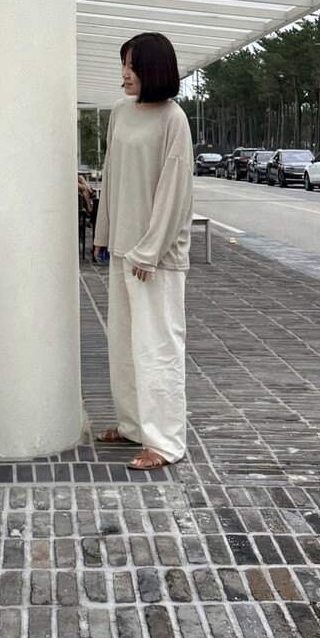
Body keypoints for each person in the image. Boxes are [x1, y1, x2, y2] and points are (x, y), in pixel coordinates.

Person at [93, 32, 193, 470]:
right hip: (123, 249)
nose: (124, 74)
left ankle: (165, 442)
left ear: (154, 69)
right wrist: (103, 232)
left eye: (132, 66)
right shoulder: (120, 112)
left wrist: (149, 251)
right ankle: (133, 425)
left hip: (156, 258)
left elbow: (175, 191)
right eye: (123, 64)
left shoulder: (174, 119)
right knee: (123, 344)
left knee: (158, 349)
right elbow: (111, 173)